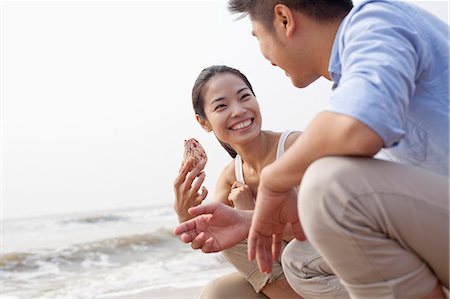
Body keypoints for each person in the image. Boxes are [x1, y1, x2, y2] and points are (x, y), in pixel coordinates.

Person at [175, 1, 449, 298]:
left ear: (284, 19)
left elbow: (357, 130)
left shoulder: (375, 24)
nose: (265, 57)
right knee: (223, 291)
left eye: (257, 37)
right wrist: (238, 219)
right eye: (221, 106)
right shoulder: (351, 78)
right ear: (204, 122)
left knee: (325, 190)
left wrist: (274, 178)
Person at [173, 65, 341, 298]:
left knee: (289, 251)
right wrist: (184, 212)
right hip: (289, 277)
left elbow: (324, 226)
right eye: (221, 106)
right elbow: (209, 234)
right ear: (204, 122)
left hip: (333, 261)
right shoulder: (231, 177)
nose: (239, 110)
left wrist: (248, 214)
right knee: (218, 292)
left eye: (244, 97)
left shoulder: (294, 147)